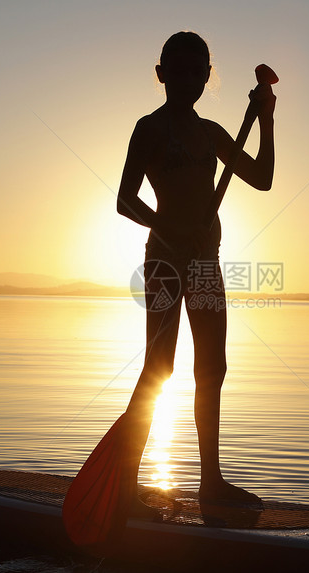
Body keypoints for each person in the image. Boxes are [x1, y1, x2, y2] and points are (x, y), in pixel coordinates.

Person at [116, 31, 275, 511]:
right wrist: (166, 226)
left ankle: (212, 483)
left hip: (205, 265)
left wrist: (267, 119)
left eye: (196, 71)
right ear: (161, 74)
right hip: (164, 262)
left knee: (213, 369)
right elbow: (125, 199)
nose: (186, 80)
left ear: (207, 76)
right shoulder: (148, 129)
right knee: (158, 367)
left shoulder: (211, 134)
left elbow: (263, 179)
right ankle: (124, 482)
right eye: (176, 70)